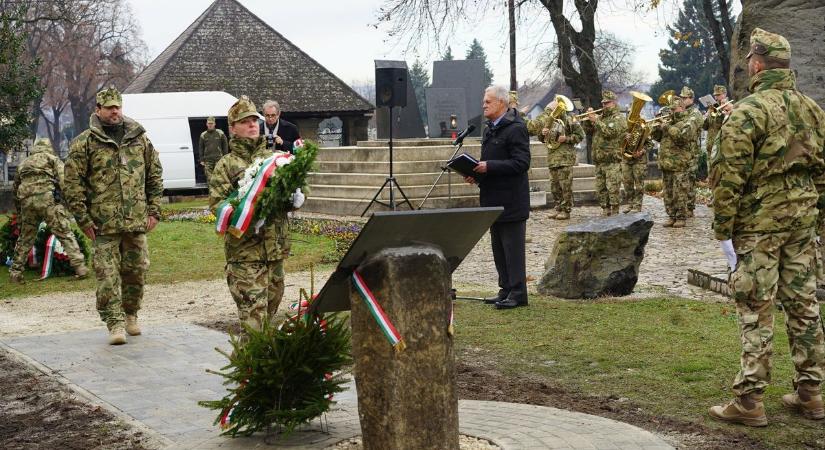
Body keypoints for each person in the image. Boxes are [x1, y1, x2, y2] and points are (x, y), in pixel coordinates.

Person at [708, 28, 825, 427]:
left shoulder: (749, 111)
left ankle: (750, 400)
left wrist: (723, 228)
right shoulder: (812, 109)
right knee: (804, 305)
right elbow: (822, 173)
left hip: (759, 225)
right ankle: (811, 394)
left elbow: (729, 176)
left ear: (757, 64)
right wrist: (818, 220)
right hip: (802, 222)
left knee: (756, 309)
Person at [64, 87, 164, 345]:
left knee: (136, 271)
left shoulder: (139, 139)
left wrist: (155, 210)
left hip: (135, 221)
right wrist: (83, 219)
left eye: (117, 106)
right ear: (98, 110)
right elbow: (72, 183)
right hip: (103, 224)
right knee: (107, 276)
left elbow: (154, 174)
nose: (114, 111)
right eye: (109, 107)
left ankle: (131, 315)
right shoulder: (84, 143)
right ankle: (114, 323)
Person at [210, 96, 304, 338]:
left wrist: (295, 196)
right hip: (245, 254)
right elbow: (217, 205)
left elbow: (288, 192)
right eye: (245, 121)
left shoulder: (275, 159)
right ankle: (249, 371)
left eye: (255, 120)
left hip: (275, 251)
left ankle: (255, 368)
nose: (252, 125)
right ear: (233, 128)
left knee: (269, 310)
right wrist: (247, 212)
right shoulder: (226, 165)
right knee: (253, 318)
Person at [464, 85, 530, 310]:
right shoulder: (489, 129)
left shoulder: (516, 128)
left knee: (513, 251)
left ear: (502, 103)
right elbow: (491, 164)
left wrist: (488, 166)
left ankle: (518, 293)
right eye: (484, 101)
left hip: (512, 201)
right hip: (492, 199)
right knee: (499, 250)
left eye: (488, 101)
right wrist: (477, 175)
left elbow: (522, 163)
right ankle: (505, 289)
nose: (483, 105)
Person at [9, 138, 88, 284]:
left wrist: (20, 209)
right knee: (64, 233)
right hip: (47, 200)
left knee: (25, 238)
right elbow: (64, 180)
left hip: (26, 202)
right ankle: (80, 267)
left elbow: (15, 189)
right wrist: (70, 201)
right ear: (48, 147)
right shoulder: (52, 159)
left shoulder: (23, 163)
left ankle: (15, 273)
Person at [526, 99, 584, 220]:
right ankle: (558, 208)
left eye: (555, 107)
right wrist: (543, 133)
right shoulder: (550, 121)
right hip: (552, 158)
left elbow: (580, 136)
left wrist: (566, 139)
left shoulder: (570, 119)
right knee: (554, 186)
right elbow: (543, 139)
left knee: (565, 186)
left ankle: (566, 210)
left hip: (565, 158)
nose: (553, 110)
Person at [650, 97, 699, 228]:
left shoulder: (687, 121)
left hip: (680, 164)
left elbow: (682, 137)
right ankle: (671, 215)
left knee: (680, 192)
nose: (671, 112)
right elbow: (657, 138)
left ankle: (681, 217)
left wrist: (666, 127)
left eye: (673, 109)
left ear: (682, 109)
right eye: (670, 109)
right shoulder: (668, 122)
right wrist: (656, 128)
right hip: (666, 164)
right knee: (668, 193)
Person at [581, 90, 627, 216]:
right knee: (601, 188)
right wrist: (587, 119)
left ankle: (615, 211)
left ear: (614, 103)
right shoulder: (601, 117)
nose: (604, 105)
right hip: (600, 159)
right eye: (603, 103)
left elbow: (610, 133)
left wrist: (596, 121)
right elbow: (588, 131)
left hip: (612, 159)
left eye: (607, 103)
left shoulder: (619, 118)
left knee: (612, 187)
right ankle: (605, 209)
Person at [678, 86, 703, 218]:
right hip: (680, 153)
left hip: (691, 152)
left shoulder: (695, 113)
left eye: (685, 98)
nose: (682, 100)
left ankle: (690, 207)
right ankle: (682, 206)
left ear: (691, 99)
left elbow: (686, 132)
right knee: (682, 181)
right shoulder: (682, 112)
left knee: (690, 180)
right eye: (681, 98)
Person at [702, 84, 732, 173]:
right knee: (711, 173)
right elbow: (705, 127)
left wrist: (721, 112)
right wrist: (705, 118)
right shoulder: (712, 108)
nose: (716, 98)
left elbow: (722, 124)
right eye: (715, 95)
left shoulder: (729, 107)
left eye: (718, 95)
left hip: (721, 146)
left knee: (720, 173)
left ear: (725, 94)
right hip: (710, 146)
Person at [620, 133, 650, 214]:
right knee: (627, 183)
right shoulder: (624, 128)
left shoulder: (644, 129)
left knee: (639, 185)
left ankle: (637, 205)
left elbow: (650, 143)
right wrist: (624, 138)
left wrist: (643, 151)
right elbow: (616, 141)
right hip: (626, 160)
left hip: (639, 161)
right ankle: (630, 204)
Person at [198, 116, 228, 183]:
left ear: (215, 124)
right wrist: (201, 160)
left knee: (220, 178)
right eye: (209, 123)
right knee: (209, 179)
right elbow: (200, 148)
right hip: (207, 161)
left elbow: (225, 145)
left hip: (219, 159)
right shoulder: (203, 135)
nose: (210, 125)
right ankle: (211, 193)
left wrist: (225, 157)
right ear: (206, 124)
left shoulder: (220, 133)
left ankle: (220, 193)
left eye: (212, 123)